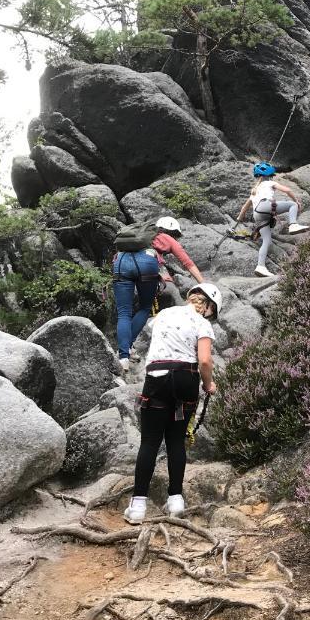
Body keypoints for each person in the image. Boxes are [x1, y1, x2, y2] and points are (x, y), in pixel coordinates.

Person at [123, 283, 222, 524]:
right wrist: (208, 385)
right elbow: (205, 361)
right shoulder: (203, 323)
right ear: (209, 307)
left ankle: (138, 507)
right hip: (186, 379)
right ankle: (176, 501)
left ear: (191, 297)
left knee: (149, 441)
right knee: (176, 440)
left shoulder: (164, 314)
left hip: (157, 378)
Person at [234, 162, 309, 278]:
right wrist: (297, 201)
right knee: (292, 205)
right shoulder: (270, 182)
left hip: (257, 215)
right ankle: (293, 224)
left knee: (267, 241)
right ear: (270, 175)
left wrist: (239, 218)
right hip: (265, 207)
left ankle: (260, 266)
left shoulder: (255, 190)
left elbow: (244, 208)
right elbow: (287, 190)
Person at [112, 242, 160, 373]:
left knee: (123, 313)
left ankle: (123, 358)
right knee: (145, 307)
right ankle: (127, 347)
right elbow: (186, 261)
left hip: (121, 261)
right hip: (147, 263)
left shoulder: (126, 243)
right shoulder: (161, 239)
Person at [153, 216, 205, 309]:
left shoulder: (148, 236)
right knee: (173, 291)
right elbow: (188, 264)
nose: (176, 239)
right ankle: (184, 311)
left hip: (122, 270)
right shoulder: (168, 238)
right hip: (144, 272)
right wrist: (204, 285)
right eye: (176, 235)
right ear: (172, 232)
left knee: (124, 313)